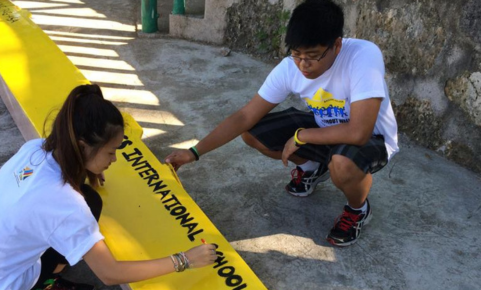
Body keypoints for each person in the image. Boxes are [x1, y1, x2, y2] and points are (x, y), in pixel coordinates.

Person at [166, 0, 398, 247]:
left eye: (312, 56)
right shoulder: (290, 68)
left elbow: (358, 132)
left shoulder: (363, 55)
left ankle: (358, 209)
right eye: (296, 55)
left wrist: (302, 136)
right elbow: (245, 116)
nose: (303, 65)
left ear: (337, 45)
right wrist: (194, 152)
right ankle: (312, 169)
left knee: (342, 164)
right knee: (252, 132)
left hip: (373, 139)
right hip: (324, 129)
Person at [0, 84, 217, 290]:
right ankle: (44, 287)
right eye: (110, 152)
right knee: (88, 204)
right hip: (3, 280)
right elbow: (110, 273)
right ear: (83, 146)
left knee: (91, 198)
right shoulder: (65, 204)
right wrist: (184, 259)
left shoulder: (36, 149)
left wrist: (89, 167)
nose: (114, 159)